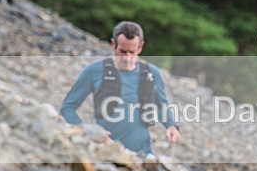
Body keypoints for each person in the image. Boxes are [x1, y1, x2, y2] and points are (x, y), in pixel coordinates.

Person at [60, 21, 181, 156]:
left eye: (132, 52)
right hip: (105, 151)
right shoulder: (94, 71)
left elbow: (161, 106)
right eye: (122, 51)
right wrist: (86, 130)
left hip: (143, 153)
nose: (127, 58)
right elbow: (67, 107)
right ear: (113, 44)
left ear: (140, 47)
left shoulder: (152, 73)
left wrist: (171, 126)